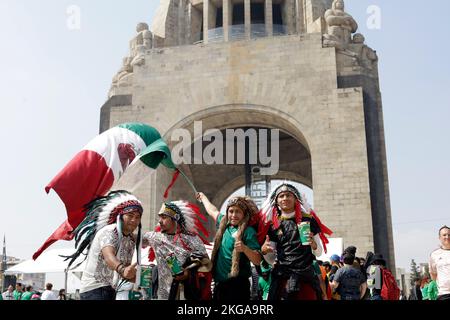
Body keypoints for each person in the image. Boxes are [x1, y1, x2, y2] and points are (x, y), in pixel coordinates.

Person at [63, 190, 144, 300]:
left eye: (137, 217)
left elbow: (124, 272)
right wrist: (123, 270)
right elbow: (108, 257)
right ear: (120, 216)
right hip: (94, 290)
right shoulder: (110, 231)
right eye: (130, 215)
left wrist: (141, 279)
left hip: (109, 290)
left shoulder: (130, 240)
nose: (134, 220)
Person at [258, 183, 333, 300]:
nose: (285, 198)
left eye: (288, 195)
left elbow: (319, 253)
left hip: (306, 276)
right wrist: (264, 251)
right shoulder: (273, 225)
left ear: (295, 199)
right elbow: (271, 259)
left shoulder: (309, 220)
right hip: (283, 276)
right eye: (281, 196)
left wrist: (313, 244)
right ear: (276, 201)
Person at [197, 192, 262, 300]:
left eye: (238, 212)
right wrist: (203, 197)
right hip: (220, 284)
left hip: (238, 285)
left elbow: (258, 260)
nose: (234, 215)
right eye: (231, 211)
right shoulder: (223, 223)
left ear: (244, 214)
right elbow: (212, 210)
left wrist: (245, 249)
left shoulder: (248, 231)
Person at [143, 201, 211, 300]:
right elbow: (134, 238)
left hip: (185, 293)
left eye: (164, 217)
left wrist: (188, 272)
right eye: (159, 217)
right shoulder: (154, 237)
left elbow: (206, 264)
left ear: (176, 218)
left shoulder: (192, 239)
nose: (160, 221)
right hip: (162, 295)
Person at [429, 225, 450, 300]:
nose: (447, 237)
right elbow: (433, 274)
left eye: (449, 235)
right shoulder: (434, 255)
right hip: (443, 294)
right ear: (439, 238)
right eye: (444, 235)